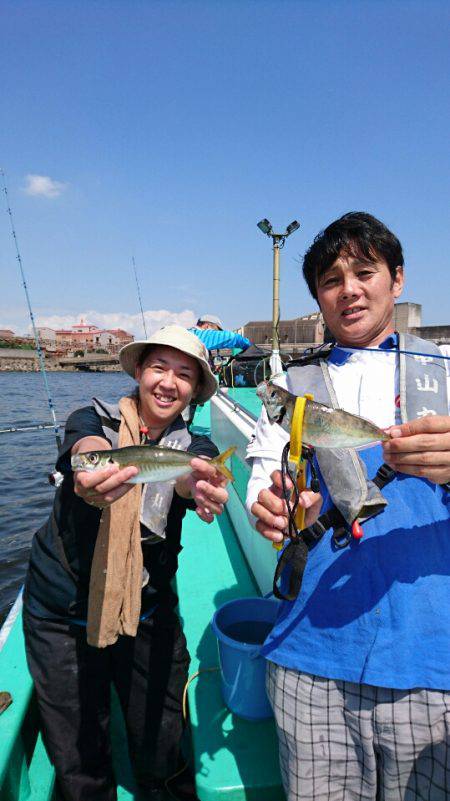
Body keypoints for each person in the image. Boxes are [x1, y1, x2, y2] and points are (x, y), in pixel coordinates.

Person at [246, 212, 450, 801]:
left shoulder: (443, 370)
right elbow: (267, 475)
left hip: (432, 663)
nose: (350, 289)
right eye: (332, 280)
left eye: (365, 271)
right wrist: (278, 507)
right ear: (318, 298)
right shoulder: (291, 390)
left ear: (398, 279)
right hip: (311, 658)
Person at [23, 324, 230, 801]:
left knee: (161, 747)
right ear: (139, 371)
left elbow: (189, 480)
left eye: (184, 374)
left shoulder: (194, 449)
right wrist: (92, 463)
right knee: (79, 760)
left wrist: (198, 486)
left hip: (147, 610)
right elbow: (84, 446)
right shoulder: (91, 418)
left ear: (195, 390)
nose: (167, 382)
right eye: (159, 367)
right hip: (61, 613)